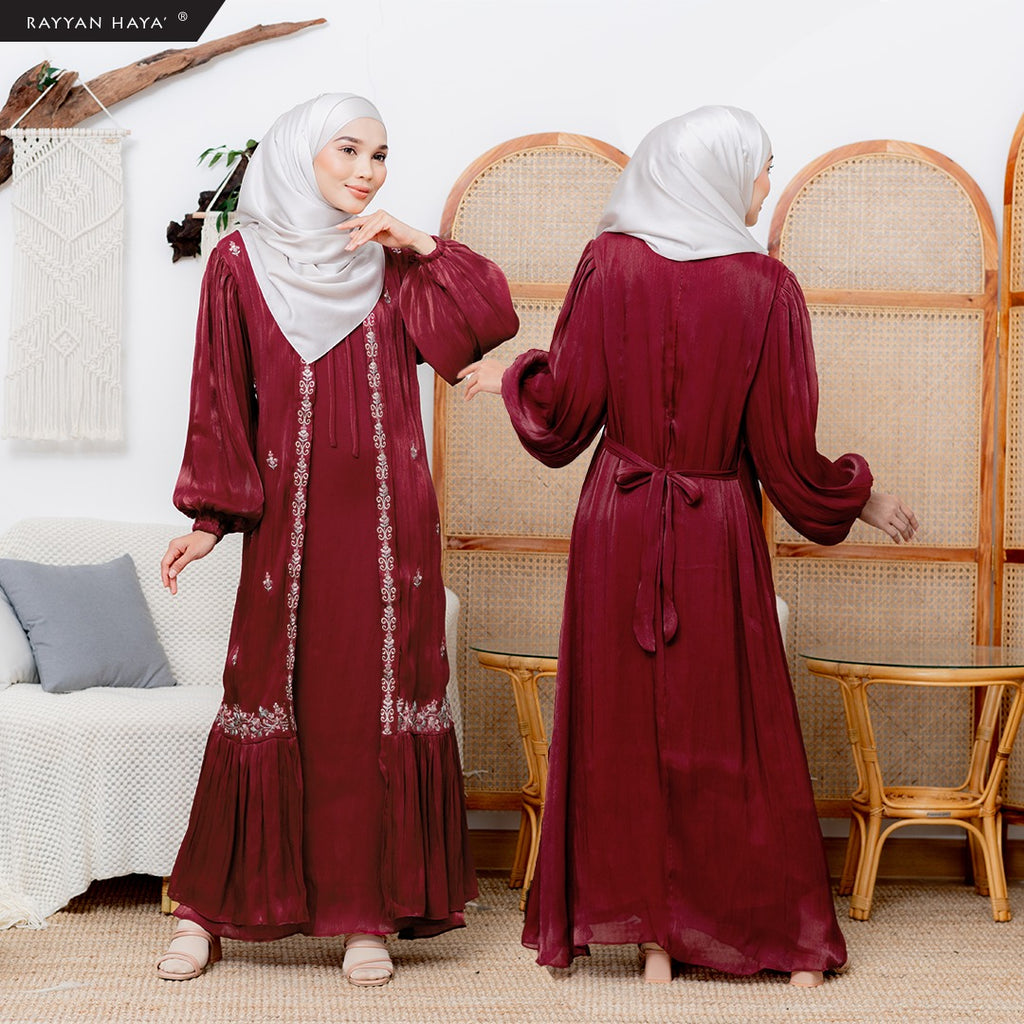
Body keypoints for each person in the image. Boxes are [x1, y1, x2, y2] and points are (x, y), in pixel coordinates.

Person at [460, 105, 918, 987]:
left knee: (623, 727)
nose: (767, 183)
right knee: (734, 729)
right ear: (717, 170)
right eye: (762, 165)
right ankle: (770, 936)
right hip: (717, 524)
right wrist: (857, 496)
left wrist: (516, 373)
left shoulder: (609, 262)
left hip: (617, 520)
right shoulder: (766, 287)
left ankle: (655, 939)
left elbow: (568, 413)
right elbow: (785, 452)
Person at [156, 93, 518, 986]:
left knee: (371, 705)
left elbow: (486, 324)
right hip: (285, 533)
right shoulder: (238, 262)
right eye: (348, 151)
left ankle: (366, 915)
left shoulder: (390, 263)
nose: (367, 171)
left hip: (392, 534)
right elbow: (219, 393)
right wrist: (209, 520)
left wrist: (421, 243)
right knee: (263, 698)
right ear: (299, 155)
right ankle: (207, 911)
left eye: (380, 155)